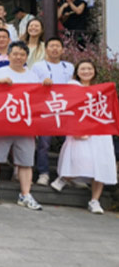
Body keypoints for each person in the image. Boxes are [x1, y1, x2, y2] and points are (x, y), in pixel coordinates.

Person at [0, 41, 44, 210]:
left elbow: (39, 100)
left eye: (22, 54)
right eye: (15, 54)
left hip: (25, 125)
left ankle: (25, 194)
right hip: (1, 123)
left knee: (26, 161)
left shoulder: (33, 76)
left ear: (26, 57)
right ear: (8, 55)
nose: (18, 57)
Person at [50, 61, 117, 214]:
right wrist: (75, 130)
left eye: (89, 68)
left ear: (94, 71)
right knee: (78, 157)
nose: (86, 71)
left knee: (100, 164)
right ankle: (65, 178)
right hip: (79, 130)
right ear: (77, 72)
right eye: (83, 69)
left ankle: (94, 200)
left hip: (100, 132)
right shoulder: (71, 87)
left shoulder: (101, 91)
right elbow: (67, 109)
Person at [31, 37, 74, 186]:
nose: (55, 49)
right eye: (51, 46)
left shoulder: (69, 67)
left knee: (69, 143)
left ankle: (68, 174)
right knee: (44, 144)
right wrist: (41, 84)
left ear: (62, 50)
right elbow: (31, 86)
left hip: (65, 110)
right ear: (46, 49)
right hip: (46, 109)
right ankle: (43, 173)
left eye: (57, 46)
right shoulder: (38, 66)